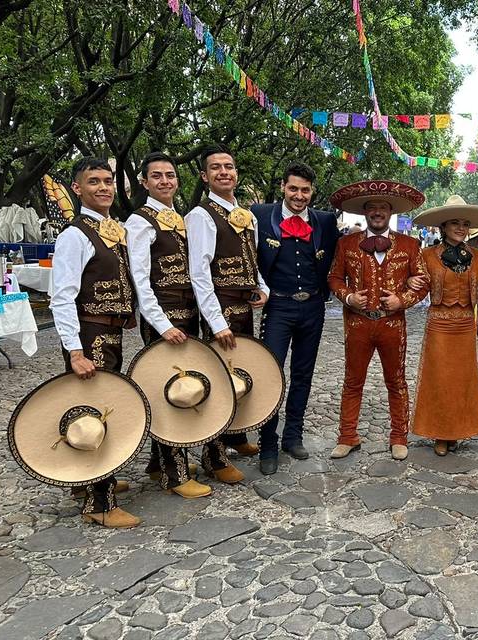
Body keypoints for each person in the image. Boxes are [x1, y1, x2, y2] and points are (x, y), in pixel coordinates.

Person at [48, 157, 140, 528]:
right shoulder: (75, 234)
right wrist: (74, 350)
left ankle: (85, 484)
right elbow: (62, 296)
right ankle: (100, 504)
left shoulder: (108, 230)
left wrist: (126, 308)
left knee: (96, 406)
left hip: (109, 331)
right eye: (94, 182)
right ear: (78, 188)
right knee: (96, 412)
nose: (103, 187)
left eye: (107, 181)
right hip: (89, 335)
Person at [125, 152, 211, 499]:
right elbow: (140, 279)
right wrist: (160, 324)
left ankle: (158, 462)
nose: (165, 181)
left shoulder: (177, 218)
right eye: (157, 176)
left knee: (180, 384)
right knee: (170, 392)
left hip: (187, 313)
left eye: (170, 175)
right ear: (144, 182)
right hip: (165, 318)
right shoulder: (140, 221)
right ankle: (174, 475)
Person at [327, 180, 429, 461]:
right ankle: (347, 436)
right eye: (372, 207)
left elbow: (423, 284)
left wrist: (402, 300)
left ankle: (399, 436)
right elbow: (334, 277)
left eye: (382, 207)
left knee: (396, 381)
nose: (377, 212)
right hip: (357, 323)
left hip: (392, 323)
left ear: (391, 211)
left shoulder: (410, 245)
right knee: (352, 380)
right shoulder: (346, 243)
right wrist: (348, 297)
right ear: (364, 212)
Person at [185, 145, 268, 483]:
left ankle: (235, 436)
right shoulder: (201, 215)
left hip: (244, 307)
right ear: (205, 176)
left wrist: (263, 287)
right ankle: (214, 456)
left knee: (240, 372)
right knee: (219, 380)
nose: (224, 172)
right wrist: (216, 321)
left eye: (229, 167)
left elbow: (254, 260)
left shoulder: (248, 216)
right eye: (216, 168)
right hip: (219, 307)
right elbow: (199, 272)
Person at [252, 161, 338, 472]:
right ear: (283, 188)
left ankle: (293, 436)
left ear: (312, 192)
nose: (299, 195)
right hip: (277, 307)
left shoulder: (326, 222)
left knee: (303, 374)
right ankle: (268, 445)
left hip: (313, 307)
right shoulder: (260, 215)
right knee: (271, 375)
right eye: (293, 189)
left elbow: (340, 259)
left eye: (305, 190)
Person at [410, 195, 478, 455]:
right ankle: (440, 433)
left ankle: (457, 431)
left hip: (464, 327)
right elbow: (418, 285)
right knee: (438, 379)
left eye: (465, 223)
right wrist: (411, 285)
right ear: (443, 226)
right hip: (438, 325)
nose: (461, 228)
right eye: (455, 223)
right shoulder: (426, 255)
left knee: (462, 380)